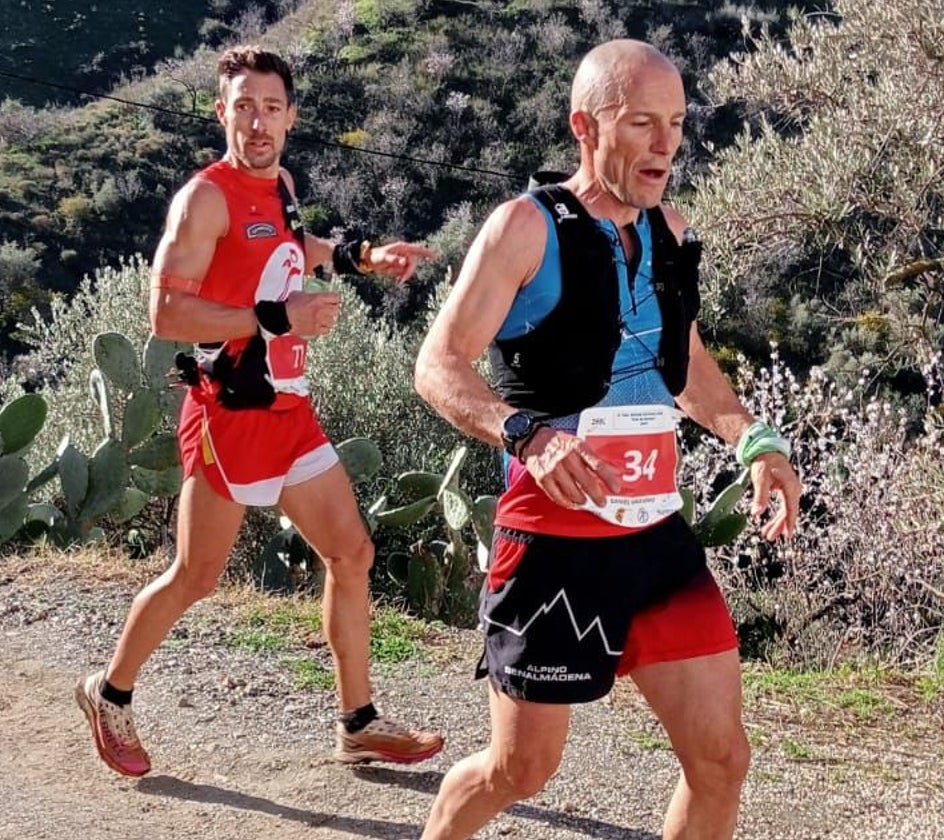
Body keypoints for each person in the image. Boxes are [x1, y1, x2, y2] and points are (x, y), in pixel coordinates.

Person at [412, 40, 802, 839]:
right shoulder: (524, 228)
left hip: (653, 533)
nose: (666, 144)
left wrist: (755, 441)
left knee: (721, 759)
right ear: (585, 127)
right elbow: (438, 365)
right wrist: (527, 435)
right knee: (521, 769)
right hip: (552, 541)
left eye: (678, 123)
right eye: (643, 123)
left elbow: (683, 363)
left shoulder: (671, 231)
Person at [75, 45, 443, 778]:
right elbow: (165, 314)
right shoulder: (203, 198)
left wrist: (362, 255)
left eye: (271, 107)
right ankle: (108, 693)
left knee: (352, 552)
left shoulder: (279, 185)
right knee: (196, 576)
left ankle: (358, 722)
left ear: (290, 116)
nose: (257, 121)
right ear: (221, 113)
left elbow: (288, 243)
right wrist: (280, 317)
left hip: (288, 410)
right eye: (243, 106)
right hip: (229, 414)